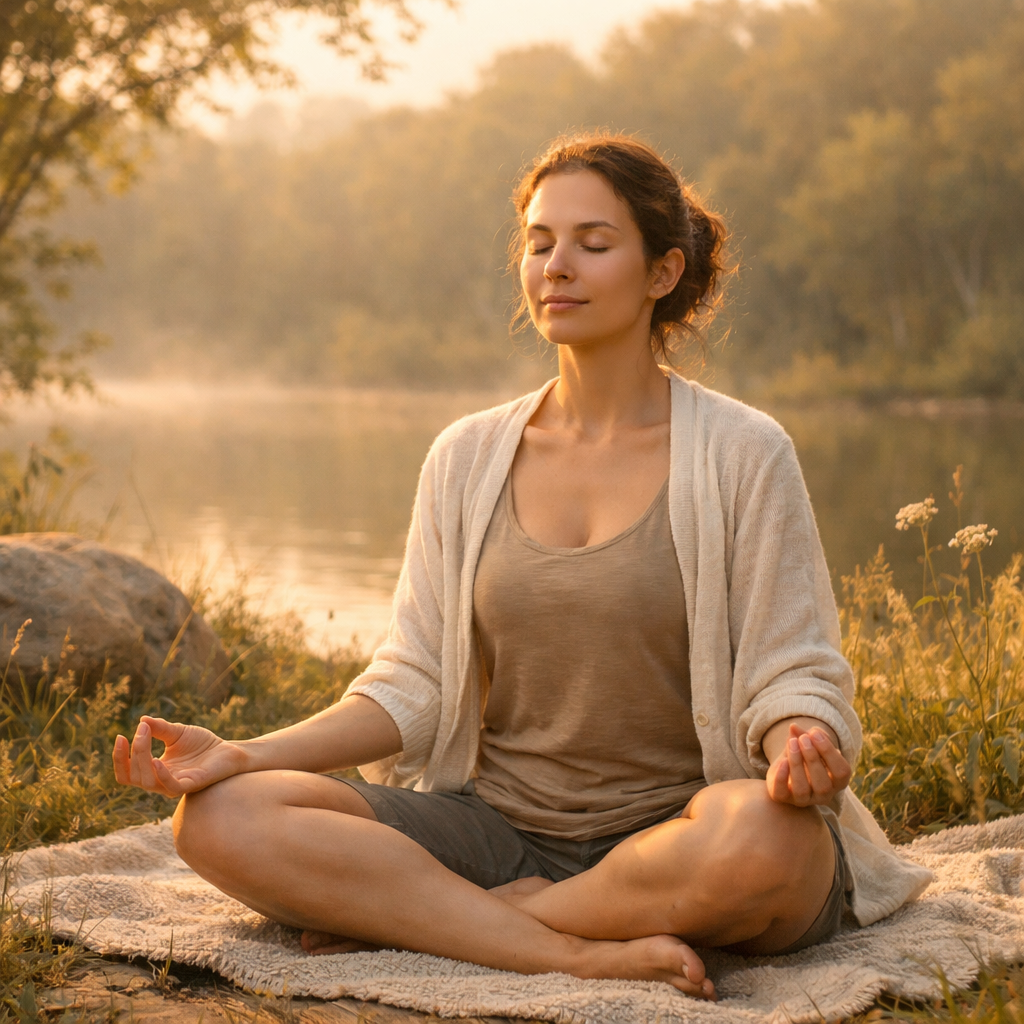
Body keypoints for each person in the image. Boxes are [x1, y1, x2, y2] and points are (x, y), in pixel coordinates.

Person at [113, 134, 931, 1002]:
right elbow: (413, 683)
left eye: (593, 243)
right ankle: (577, 948)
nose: (557, 267)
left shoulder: (744, 452)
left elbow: (791, 669)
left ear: (662, 272)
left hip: (682, 828)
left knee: (774, 844)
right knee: (221, 818)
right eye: (540, 243)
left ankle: (478, 919)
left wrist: (798, 741)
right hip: (494, 826)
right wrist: (243, 753)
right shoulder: (466, 456)